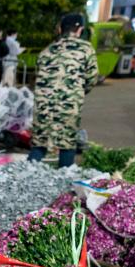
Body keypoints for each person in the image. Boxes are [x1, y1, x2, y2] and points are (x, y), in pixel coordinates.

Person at [28, 13, 99, 167]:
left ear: (61, 29)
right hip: (69, 104)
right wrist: (77, 92)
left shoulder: (47, 50)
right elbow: (92, 78)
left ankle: (23, 176)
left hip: (43, 105)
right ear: (80, 30)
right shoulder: (86, 49)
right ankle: (64, 181)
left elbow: (37, 76)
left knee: (40, 143)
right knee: (67, 144)